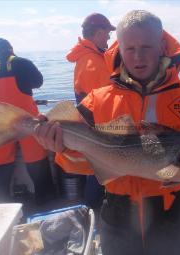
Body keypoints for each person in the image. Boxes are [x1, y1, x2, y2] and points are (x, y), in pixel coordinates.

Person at [35, 10, 180, 255]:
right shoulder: (97, 100)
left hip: (178, 212)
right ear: (119, 47)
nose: (138, 57)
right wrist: (59, 148)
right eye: (130, 49)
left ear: (161, 45)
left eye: (146, 47)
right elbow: (83, 162)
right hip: (119, 214)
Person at [55, 13, 115, 208]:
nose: (109, 37)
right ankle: (93, 212)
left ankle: (93, 208)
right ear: (98, 33)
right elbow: (105, 101)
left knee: (95, 172)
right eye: (107, 33)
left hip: (90, 128)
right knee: (97, 173)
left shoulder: (88, 57)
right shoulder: (93, 62)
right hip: (98, 131)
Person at [0, 38, 55, 205]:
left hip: (1, 121)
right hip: (27, 120)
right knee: (36, 159)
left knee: (1, 163)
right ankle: (43, 200)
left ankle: (2, 203)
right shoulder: (23, 63)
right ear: (11, 48)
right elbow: (38, 82)